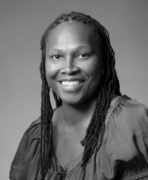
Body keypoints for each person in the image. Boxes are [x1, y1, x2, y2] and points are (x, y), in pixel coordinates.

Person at [9, 11, 148, 180]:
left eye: (82, 55)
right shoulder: (36, 136)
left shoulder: (132, 123)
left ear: (103, 62)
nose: (68, 68)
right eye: (56, 56)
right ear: (44, 65)